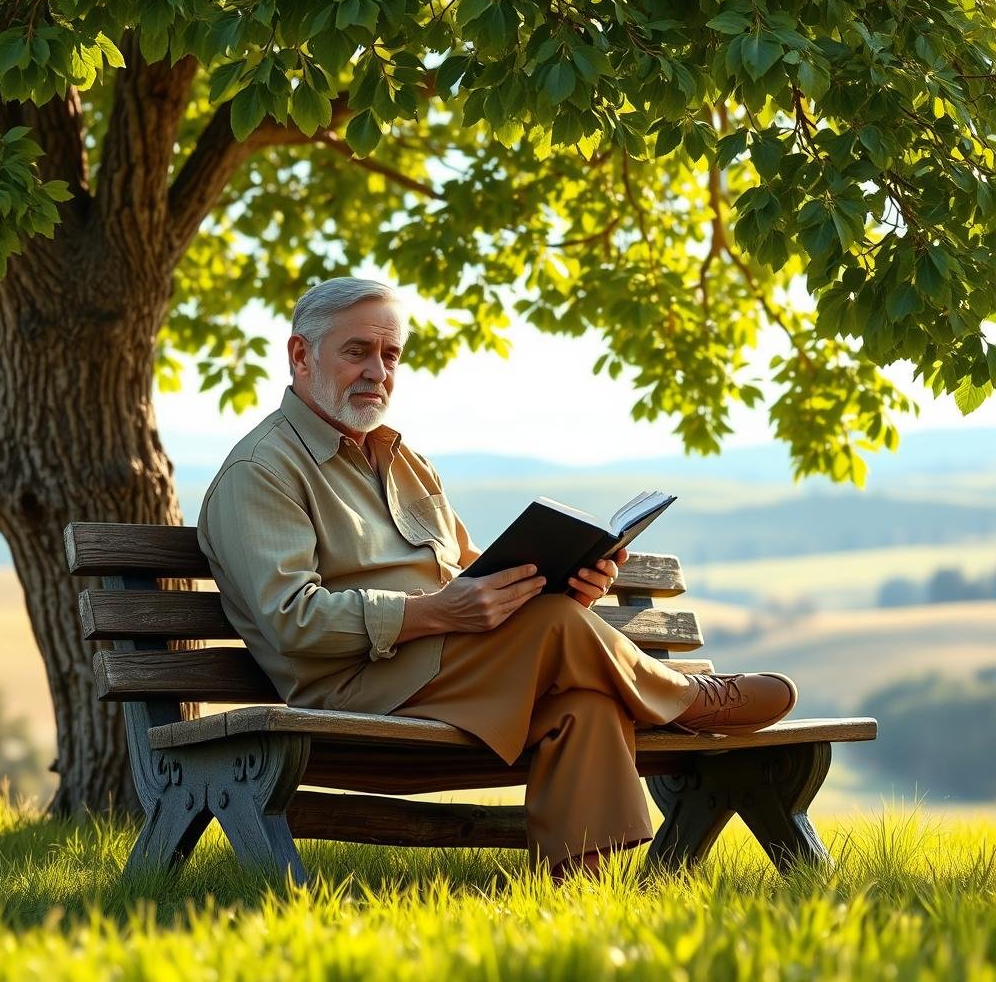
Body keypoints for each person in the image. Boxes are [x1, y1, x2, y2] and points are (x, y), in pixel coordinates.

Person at [197, 276, 798, 882]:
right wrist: (441, 613)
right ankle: (683, 699)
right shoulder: (262, 471)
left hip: (452, 667)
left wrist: (559, 579)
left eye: (391, 355)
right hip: (355, 687)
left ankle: (583, 892)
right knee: (555, 624)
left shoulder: (401, 458)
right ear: (301, 355)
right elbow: (291, 620)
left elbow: (465, 565)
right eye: (357, 352)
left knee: (583, 702)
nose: (378, 372)